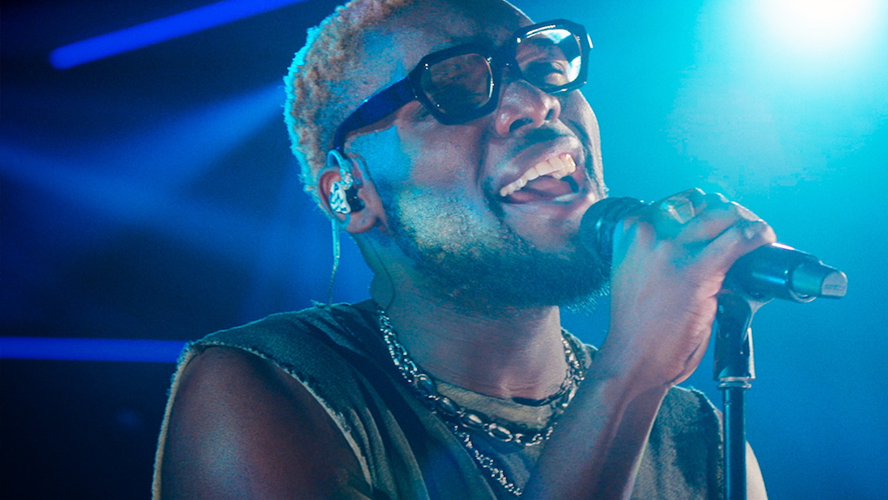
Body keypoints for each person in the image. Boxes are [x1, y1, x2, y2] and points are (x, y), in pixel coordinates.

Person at [153, 0, 771, 498]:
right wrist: (631, 372)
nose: (536, 102)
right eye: (452, 87)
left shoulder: (700, 440)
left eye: (546, 67)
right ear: (352, 191)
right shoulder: (266, 387)